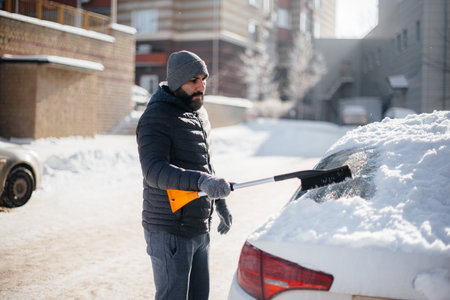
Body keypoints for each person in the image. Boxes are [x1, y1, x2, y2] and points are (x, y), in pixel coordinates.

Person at [136, 50, 233, 300]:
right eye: (193, 80)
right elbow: (153, 170)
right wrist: (203, 182)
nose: (202, 85)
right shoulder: (156, 116)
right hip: (170, 230)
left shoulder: (198, 115)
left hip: (198, 226)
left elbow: (204, 165)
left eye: (204, 79)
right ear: (177, 81)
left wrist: (218, 201)